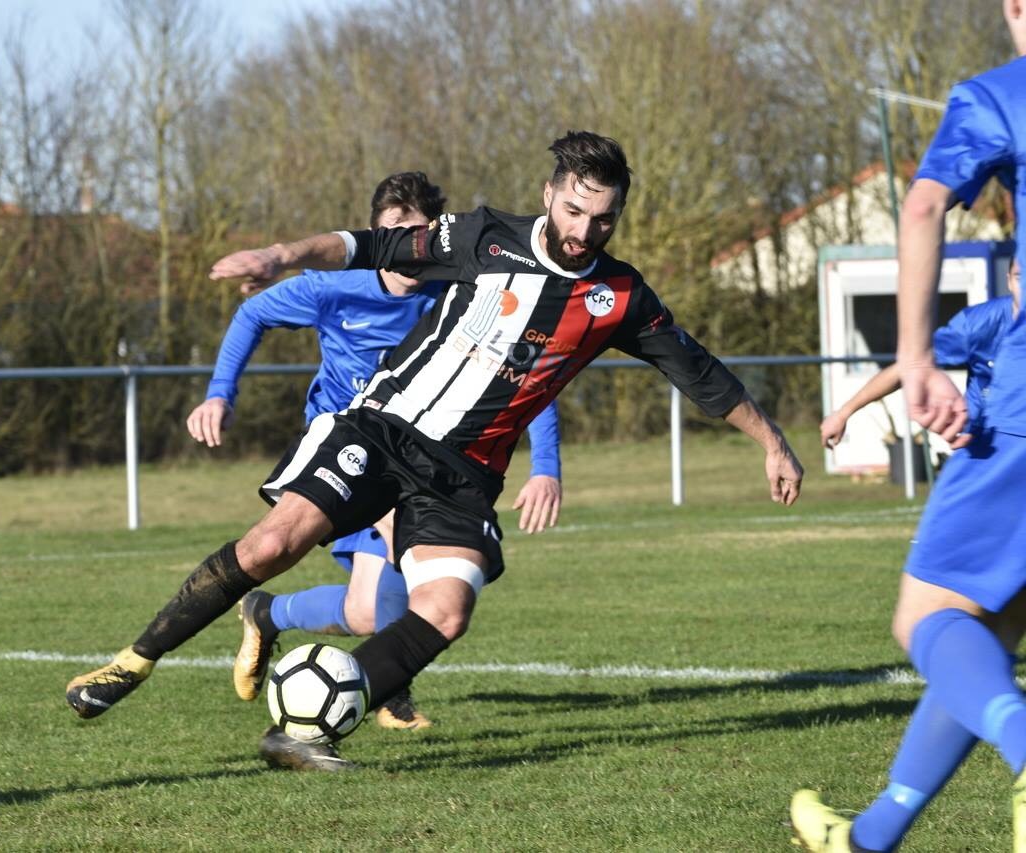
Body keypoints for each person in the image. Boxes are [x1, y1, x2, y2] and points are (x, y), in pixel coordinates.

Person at [67, 130, 803, 772]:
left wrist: (770, 440)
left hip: (463, 476)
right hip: (385, 429)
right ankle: (134, 660)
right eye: (574, 210)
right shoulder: (481, 237)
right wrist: (283, 252)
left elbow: (700, 373)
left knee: (446, 609)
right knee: (272, 543)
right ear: (550, 195)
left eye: (603, 217)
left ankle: (302, 731)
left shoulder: (619, 297)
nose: (585, 229)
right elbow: (370, 245)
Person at [183, 171, 564, 731]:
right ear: (376, 235)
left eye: (420, 235)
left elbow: (523, 373)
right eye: (394, 233)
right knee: (407, 566)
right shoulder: (331, 285)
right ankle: (391, 699)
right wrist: (219, 395)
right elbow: (253, 313)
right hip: (345, 449)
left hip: (418, 453)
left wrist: (546, 466)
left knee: (366, 609)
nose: (408, 249)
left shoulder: (462, 290)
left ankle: (267, 612)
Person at [790, 3, 1026, 850]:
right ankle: (871, 836)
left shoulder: (1001, 93)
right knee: (986, 631)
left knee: (924, 618)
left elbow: (924, 208)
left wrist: (916, 353)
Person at [820, 259, 1020, 450]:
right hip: (987, 441)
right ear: (1008, 281)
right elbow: (907, 368)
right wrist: (843, 413)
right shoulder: (976, 324)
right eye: (1020, 277)